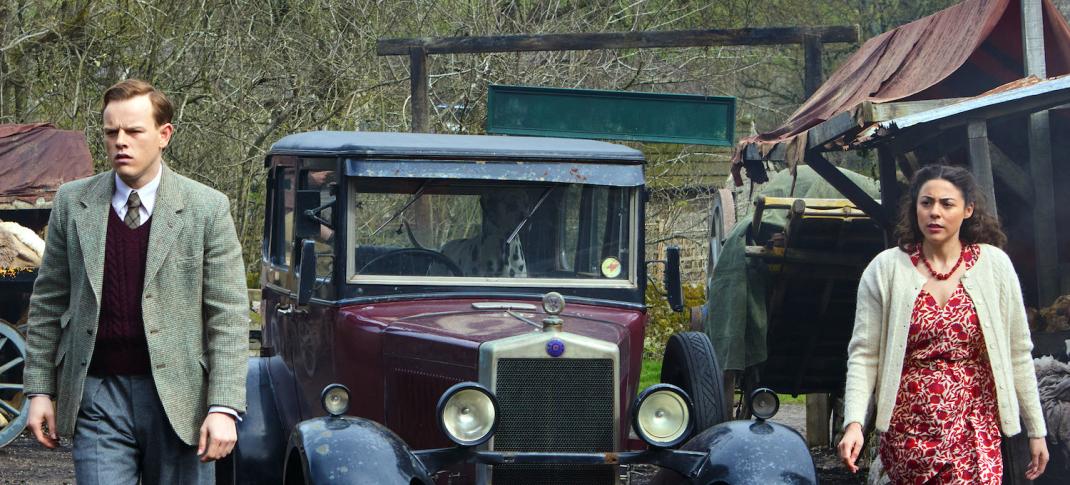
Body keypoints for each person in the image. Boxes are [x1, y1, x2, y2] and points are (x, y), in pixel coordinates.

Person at [22, 79, 249, 484]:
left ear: (164, 135)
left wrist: (224, 406)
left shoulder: (206, 208)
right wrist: (39, 390)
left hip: (181, 400)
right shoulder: (73, 203)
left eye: (133, 131)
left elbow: (228, 316)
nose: (120, 142)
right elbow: (48, 302)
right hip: (97, 395)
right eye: (111, 132)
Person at [838, 164, 1049, 483]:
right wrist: (854, 422)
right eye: (926, 203)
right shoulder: (885, 270)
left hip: (975, 425)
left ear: (968, 210)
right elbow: (865, 356)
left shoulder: (995, 267)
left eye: (946, 204)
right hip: (908, 430)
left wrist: (1036, 429)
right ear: (915, 209)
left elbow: (1018, 352)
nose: (935, 212)